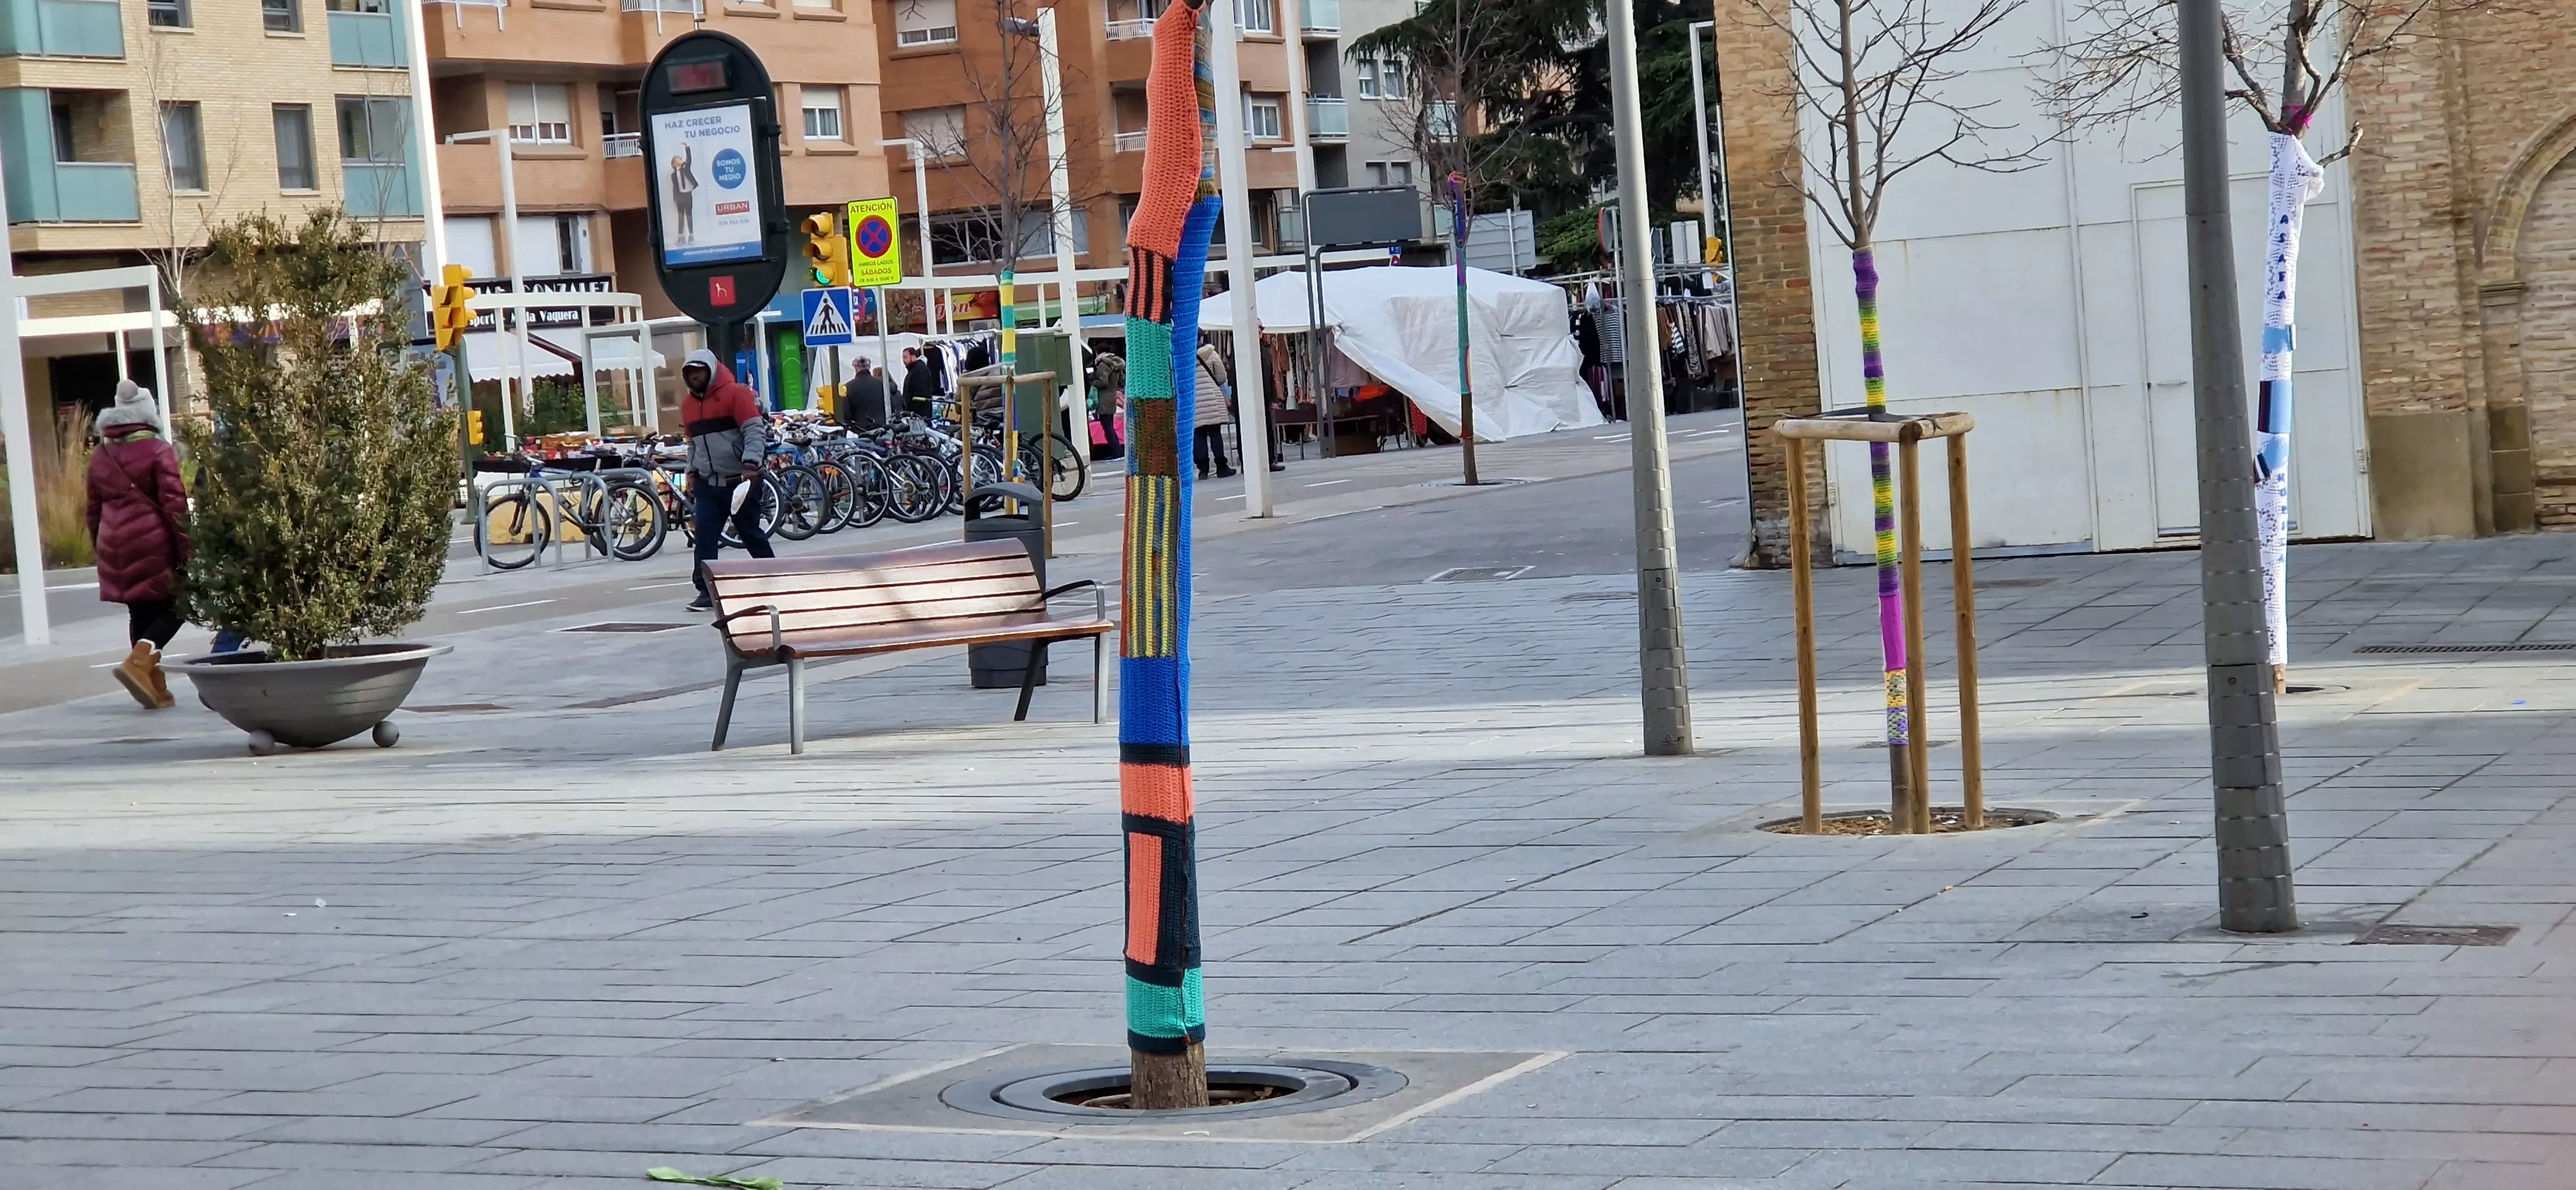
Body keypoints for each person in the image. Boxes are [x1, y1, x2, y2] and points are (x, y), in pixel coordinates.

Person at [86, 381, 189, 709]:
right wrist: (188, 548)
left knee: (140, 609)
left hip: (113, 541)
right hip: (153, 541)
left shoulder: (100, 455)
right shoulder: (158, 450)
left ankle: (153, 686)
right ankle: (140, 662)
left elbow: (93, 510)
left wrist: (100, 546)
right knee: (181, 604)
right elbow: (175, 505)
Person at [679, 349, 772, 613]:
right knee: (704, 537)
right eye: (690, 373)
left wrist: (751, 464)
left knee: (750, 534)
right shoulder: (688, 405)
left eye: (699, 372)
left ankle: (774, 578)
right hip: (708, 483)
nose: (695, 377)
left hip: (740, 480)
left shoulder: (736, 394)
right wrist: (691, 472)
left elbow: (754, 431)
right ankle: (706, 590)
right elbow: (693, 444)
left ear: (711, 371)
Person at [1192, 342, 1235, 479]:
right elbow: (1222, 377)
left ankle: (1203, 469)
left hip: (1195, 399)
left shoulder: (1185, 355)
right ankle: (1222, 467)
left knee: (1199, 434)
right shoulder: (1211, 354)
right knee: (1215, 434)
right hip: (1212, 397)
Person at [838, 356, 889, 432]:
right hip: (883, 428)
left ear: (855, 367)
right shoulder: (882, 383)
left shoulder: (849, 386)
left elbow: (847, 414)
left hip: (861, 430)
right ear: (869, 367)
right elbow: (891, 404)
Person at [899, 346, 940, 420]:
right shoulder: (914, 370)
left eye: (905, 357)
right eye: (903, 358)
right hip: (917, 411)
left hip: (919, 412)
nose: (903, 360)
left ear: (913, 357)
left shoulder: (919, 370)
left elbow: (920, 391)